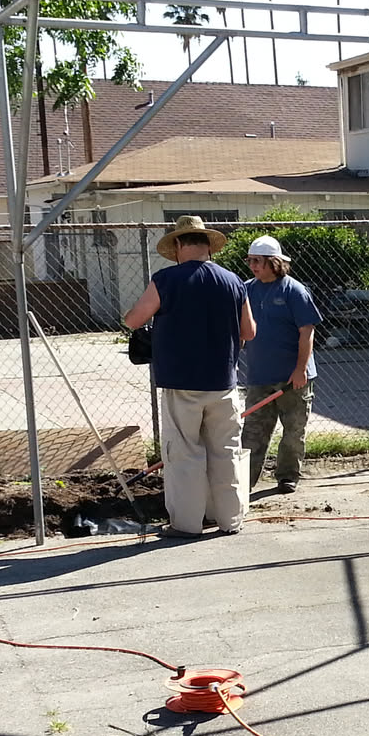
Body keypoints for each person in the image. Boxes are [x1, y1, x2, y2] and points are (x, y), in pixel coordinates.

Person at [122, 216, 255, 538]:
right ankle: (230, 520)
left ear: (179, 244)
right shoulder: (233, 281)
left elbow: (134, 320)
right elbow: (249, 331)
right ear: (208, 245)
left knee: (184, 454)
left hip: (181, 383)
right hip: (223, 383)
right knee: (226, 452)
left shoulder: (166, 279)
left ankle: (186, 524)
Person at [239, 235, 321, 495]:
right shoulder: (246, 290)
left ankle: (287, 476)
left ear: (274, 262)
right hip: (259, 377)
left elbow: (307, 332)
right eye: (250, 260)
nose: (252, 266)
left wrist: (300, 370)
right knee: (253, 432)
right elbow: (240, 331)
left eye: (257, 261)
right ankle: (243, 482)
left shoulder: (293, 290)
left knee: (293, 431)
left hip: (292, 379)